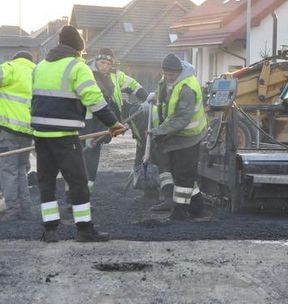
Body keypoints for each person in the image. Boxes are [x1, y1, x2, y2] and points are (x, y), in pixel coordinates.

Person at [31, 26, 127, 242]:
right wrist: (114, 124)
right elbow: (93, 99)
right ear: (78, 48)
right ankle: (84, 230)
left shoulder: (40, 66)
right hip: (64, 135)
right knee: (78, 181)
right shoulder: (77, 66)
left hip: (40, 133)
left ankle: (50, 230)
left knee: (46, 181)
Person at [149, 53, 209, 221]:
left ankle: (179, 213)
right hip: (177, 134)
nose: (169, 77)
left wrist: (159, 130)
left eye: (172, 75)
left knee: (183, 175)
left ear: (179, 71)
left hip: (190, 135)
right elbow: (166, 102)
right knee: (182, 174)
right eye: (166, 74)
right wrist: (156, 96)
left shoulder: (187, 87)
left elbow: (182, 118)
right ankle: (198, 210)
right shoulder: (165, 81)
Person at [81, 48, 150, 193]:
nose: (105, 66)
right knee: (85, 152)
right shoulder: (86, 73)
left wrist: (147, 99)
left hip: (107, 119)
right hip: (88, 120)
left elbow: (133, 85)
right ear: (95, 61)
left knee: (93, 152)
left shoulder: (116, 76)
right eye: (102, 62)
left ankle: (87, 188)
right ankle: (82, 188)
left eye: (108, 63)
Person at [0, 50, 36, 219]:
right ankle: (26, 210)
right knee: (20, 172)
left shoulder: (12, 67)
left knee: (9, 172)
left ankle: (12, 212)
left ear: (15, 58)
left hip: (8, 132)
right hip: (27, 133)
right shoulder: (37, 73)